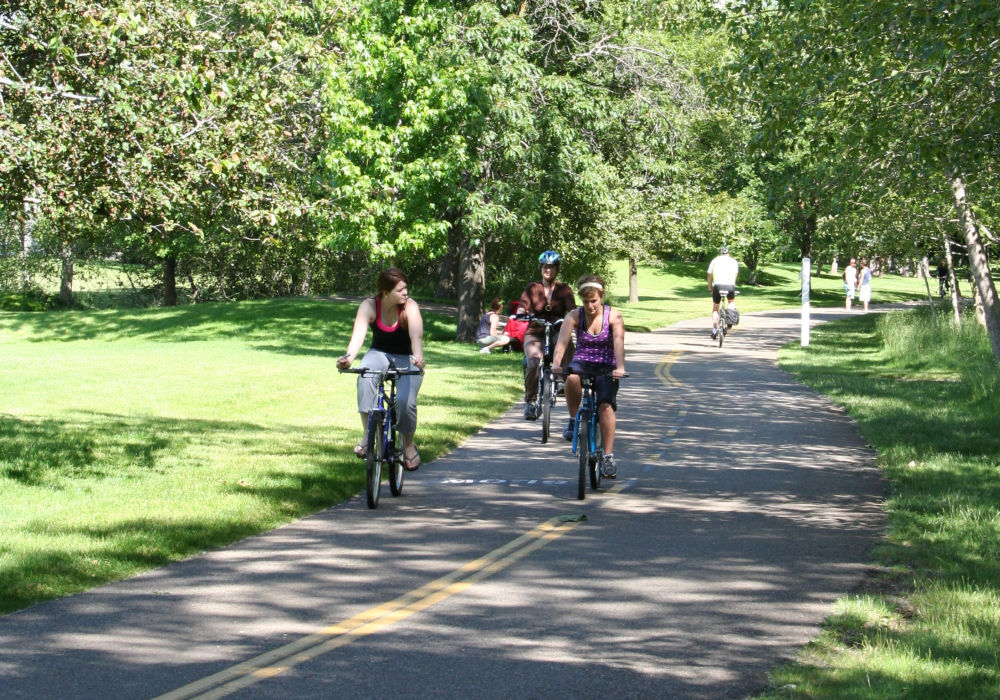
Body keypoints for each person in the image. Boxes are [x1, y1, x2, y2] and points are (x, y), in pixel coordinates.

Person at [337, 268, 425, 471]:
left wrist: (418, 359)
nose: (405, 293)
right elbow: (358, 337)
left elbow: (416, 337)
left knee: (405, 401)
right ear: (385, 292)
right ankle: (368, 438)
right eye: (400, 290)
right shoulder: (369, 306)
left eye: (406, 288)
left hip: (407, 357)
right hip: (379, 353)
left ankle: (408, 445)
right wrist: (348, 359)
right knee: (365, 375)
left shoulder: (410, 307)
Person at [551, 275, 626, 479]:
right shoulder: (575, 316)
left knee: (605, 406)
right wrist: (556, 364)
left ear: (601, 296)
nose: (590, 306)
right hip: (582, 361)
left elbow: (618, 343)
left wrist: (619, 367)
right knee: (572, 378)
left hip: (606, 365)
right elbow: (562, 343)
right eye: (585, 302)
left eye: (593, 301)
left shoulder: (613, 316)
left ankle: (608, 456)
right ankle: (574, 419)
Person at [518, 250, 576, 421]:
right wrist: (521, 313)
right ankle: (531, 401)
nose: (548, 270)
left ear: (557, 269)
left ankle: (562, 381)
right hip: (535, 332)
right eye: (545, 267)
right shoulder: (532, 288)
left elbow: (572, 309)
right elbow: (523, 305)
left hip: (557, 329)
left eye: (551, 267)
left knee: (565, 346)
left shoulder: (564, 290)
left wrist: (574, 318)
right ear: (541, 268)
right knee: (534, 360)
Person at [706, 245, 739, 340]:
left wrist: (710, 288)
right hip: (730, 286)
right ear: (728, 253)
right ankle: (730, 319)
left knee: (715, 307)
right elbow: (735, 274)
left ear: (720, 253)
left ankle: (714, 330)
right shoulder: (733, 261)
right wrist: (731, 283)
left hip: (717, 285)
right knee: (731, 301)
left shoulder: (715, 260)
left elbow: (709, 275)